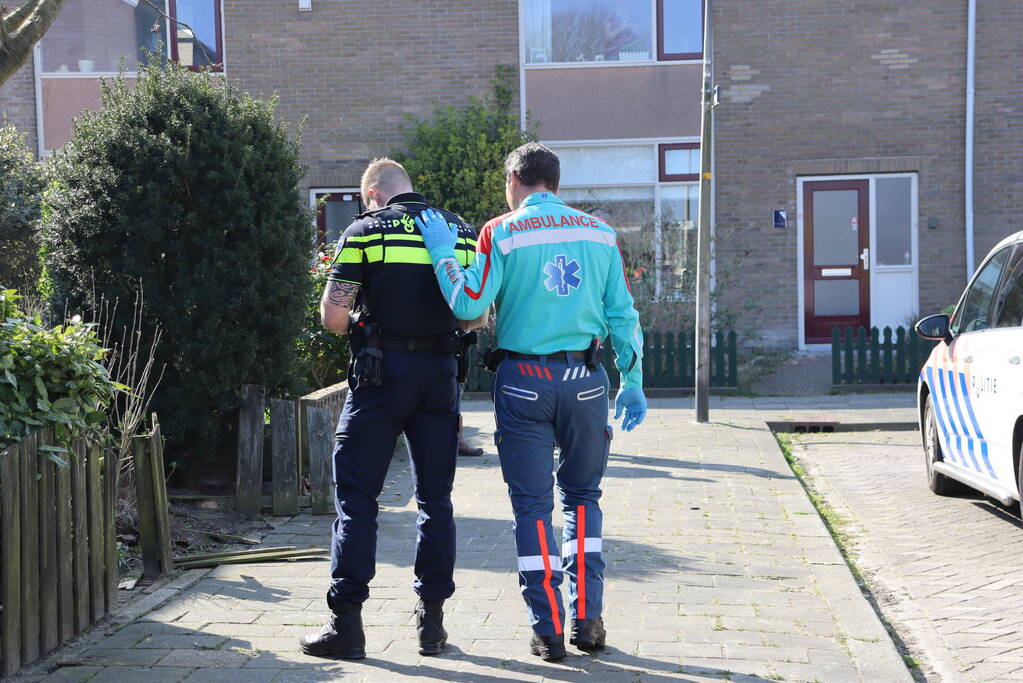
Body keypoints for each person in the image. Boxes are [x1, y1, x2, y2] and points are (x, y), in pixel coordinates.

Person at [416, 142, 648, 662]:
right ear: (556, 183)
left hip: (523, 382)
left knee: (532, 508)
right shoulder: (601, 234)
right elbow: (623, 317)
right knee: (583, 499)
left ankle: (547, 630)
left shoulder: (501, 231)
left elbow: (469, 304)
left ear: (514, 179)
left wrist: (440, 255)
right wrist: (631, 379)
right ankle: (588, 620)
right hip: (587, 381)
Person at [300, 158, 485, 660]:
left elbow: (333, 317)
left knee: (357, 501)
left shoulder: (365, 230)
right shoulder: (460, 231)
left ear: (372, 195)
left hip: (380, 381)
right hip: (439, 380)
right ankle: (432, 624)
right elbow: (476, 316)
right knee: (436, 501)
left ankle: (348, 626)